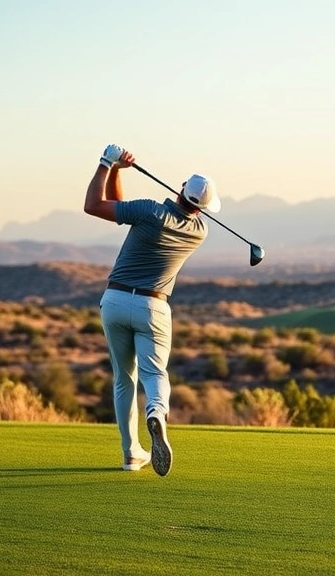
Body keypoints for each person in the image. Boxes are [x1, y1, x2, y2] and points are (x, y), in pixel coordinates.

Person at [83, 144, 220, 476]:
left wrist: (106, 164)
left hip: (115, 301)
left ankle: (131, 454)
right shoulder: (199, 231)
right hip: (153, 306)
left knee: (123, 379)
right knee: (155, 374)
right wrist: (117, 172)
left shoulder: (148, 211)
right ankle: (156, 412)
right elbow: (118, 206)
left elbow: (95, 206)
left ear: (180, 189)